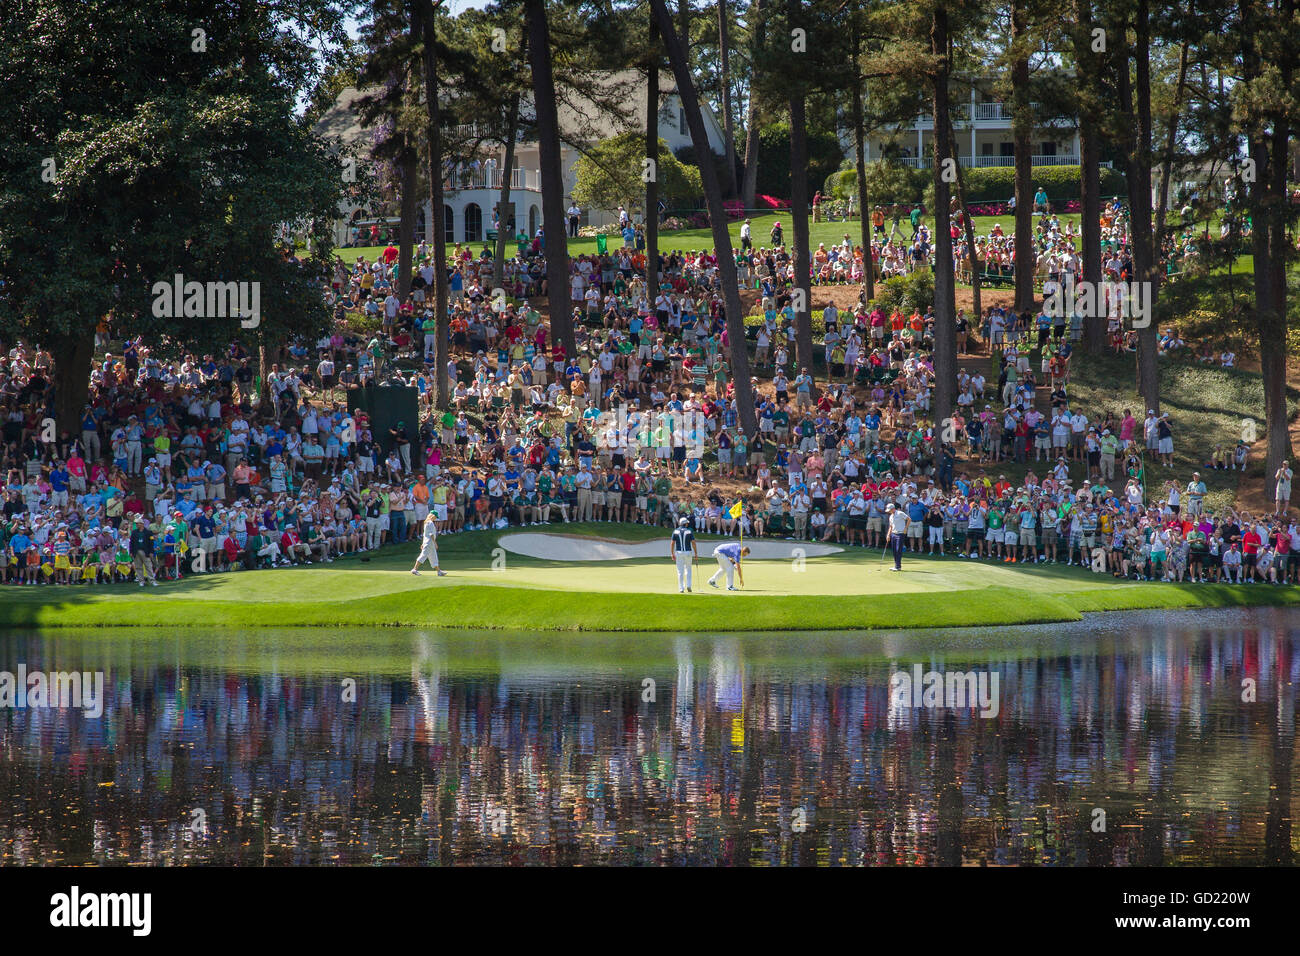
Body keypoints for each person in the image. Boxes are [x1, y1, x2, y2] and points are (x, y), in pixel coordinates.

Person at [670, 516, 699, 592]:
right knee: (688, 569)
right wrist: (696, 553)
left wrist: (672, 553)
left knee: (680, 571)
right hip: (688, 552)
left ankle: (681, 588)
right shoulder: (689, 531)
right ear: (685, 524)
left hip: (679, 553)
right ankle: (689, 586)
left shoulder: (675, 531)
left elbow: (672, 543)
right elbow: (693, 543)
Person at [886, 501, 908, 571]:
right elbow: (891, 526)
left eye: (889, 510)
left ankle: (898, 566)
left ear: (893, 509)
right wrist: (888, 535)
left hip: (900, 534)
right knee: (894, 550)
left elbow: (909, 519)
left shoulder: (900, 513)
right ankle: (896, 565)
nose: (888, 511)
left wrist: (905, 528)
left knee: (898, 550)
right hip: (893, 534)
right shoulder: (891, 516)